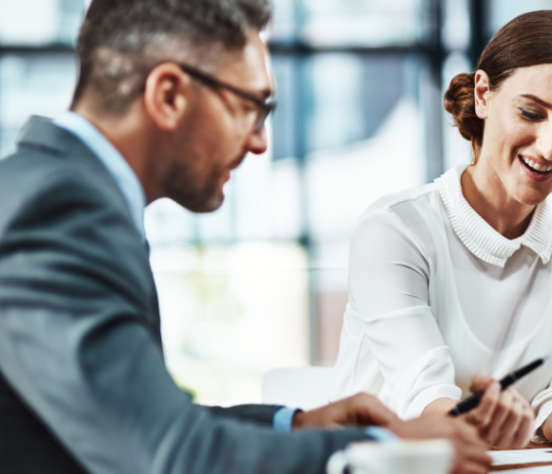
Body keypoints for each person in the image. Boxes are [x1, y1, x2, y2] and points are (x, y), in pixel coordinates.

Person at [0, 1, 490, 473]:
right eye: (252, 106)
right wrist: (382, 449)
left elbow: (138, 421)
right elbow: (173, 457)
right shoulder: (58, 211)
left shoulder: (56, 193)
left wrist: (297, 426)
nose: (260, 142)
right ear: (169, 95)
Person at [328, 10, 552, 462]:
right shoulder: (394, 229)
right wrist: (473, 424)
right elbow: (427, 402)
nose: (551, 147)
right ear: (482, 95)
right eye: (531, 112)